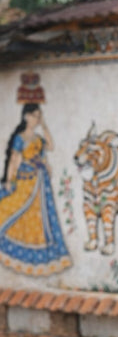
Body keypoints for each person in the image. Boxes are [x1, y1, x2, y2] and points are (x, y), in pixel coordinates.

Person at [0, 103, 71, 275]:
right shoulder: (20, 138)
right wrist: (9, 180)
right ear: (26, 116)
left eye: (39, 116)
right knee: (15, 208)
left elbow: (51, 146)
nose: (37, 119)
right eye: (35, 116)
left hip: (40, 182)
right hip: (25, 180)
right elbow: (14, 159)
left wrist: (45, 125)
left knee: (38, 218)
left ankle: (35, 255)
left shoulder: (38, 138)